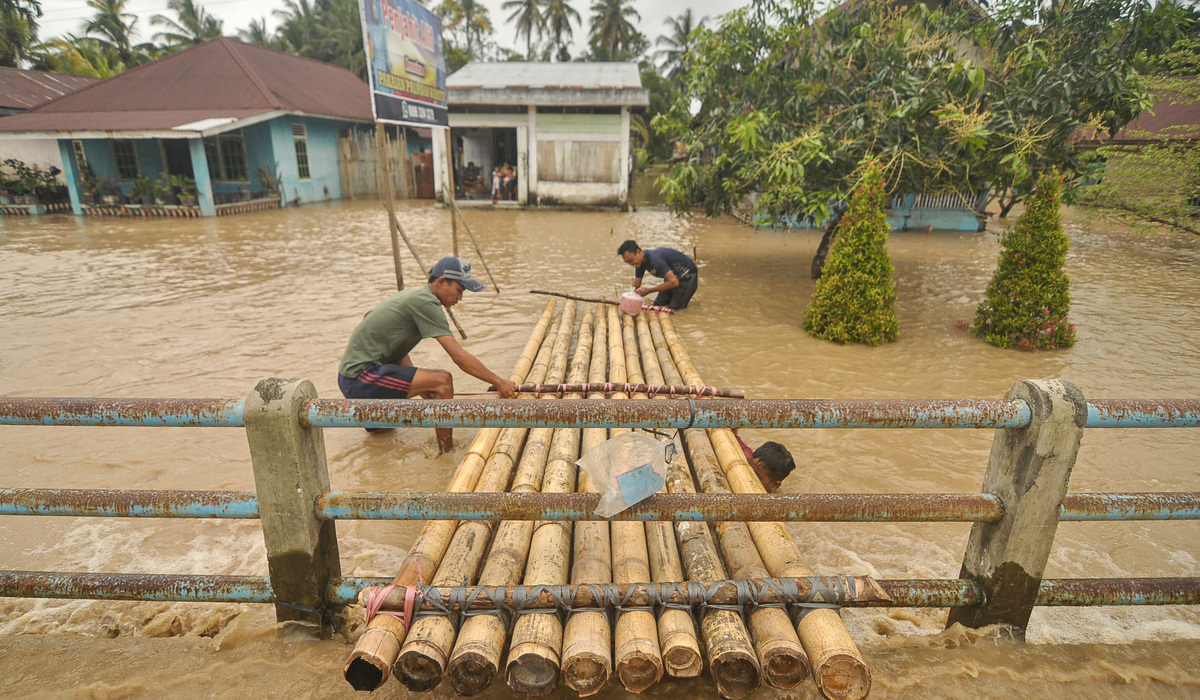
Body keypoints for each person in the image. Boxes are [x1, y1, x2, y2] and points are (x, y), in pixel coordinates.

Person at [337, 256, 517, 453]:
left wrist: (422, 387)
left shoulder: (411, 297)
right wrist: (500, 382)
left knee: (382, 440)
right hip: (360, 378)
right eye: (459, 290)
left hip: (353, 376)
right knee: (443, 381)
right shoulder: (427, 302)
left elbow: (394, 348)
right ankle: (446, 453)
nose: (460, 298)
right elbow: (459, 357)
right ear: (441, 282)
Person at [617, 239, 699, 310]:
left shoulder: (655, 260)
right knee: (658, 305)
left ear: (638, 252)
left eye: (631, 261)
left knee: (674, 309)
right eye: (627, 262)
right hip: (672, 277)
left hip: (687, 276)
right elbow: (636, 287)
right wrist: (631, 295)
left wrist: (649, 290)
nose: (631, 264)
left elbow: (674, 282)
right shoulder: (639, 263)